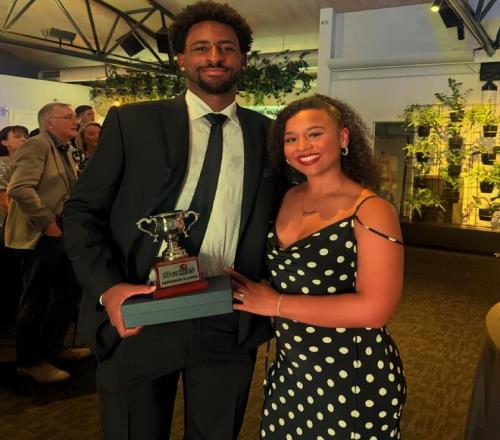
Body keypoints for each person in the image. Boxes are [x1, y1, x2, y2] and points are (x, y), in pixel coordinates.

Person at [62, 2, 281, 439]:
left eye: (226, 48)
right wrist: (108, 289)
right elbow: (82, 212)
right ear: (181, 59)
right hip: (143, 310)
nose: (214, 56)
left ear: (242, 58)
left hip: (228, 313)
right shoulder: (133, 123)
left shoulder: (268, 134)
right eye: (200, 48)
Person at [226, 94, 406, 439]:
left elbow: (376, 309)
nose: (302, 147)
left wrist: (275, 304)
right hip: (292, 369)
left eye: (314, 134)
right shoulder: (286, 198)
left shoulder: (371, 210)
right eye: (291, 138)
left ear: (343, 138)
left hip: (352, 374)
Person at [5, 103, 90, 383]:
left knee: (68, 292)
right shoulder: (37, 145)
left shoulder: (65, 149)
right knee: (36, 299)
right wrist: (47, 223)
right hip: (40, 235)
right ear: (49, 123)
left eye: (75, 117)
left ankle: (53, 348)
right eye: (69, 117)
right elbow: (20, 188)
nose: (76, 121)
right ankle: (29, 362)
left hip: (61, 232)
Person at [0, 125, 28, 336]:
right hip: (8, 226)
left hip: (24, 226)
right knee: (9, 276)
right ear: (4, 142)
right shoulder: (3, 163)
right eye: (17, 137)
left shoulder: (27, 162)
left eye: (26, 136)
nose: (24, 139)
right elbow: (4, 200)